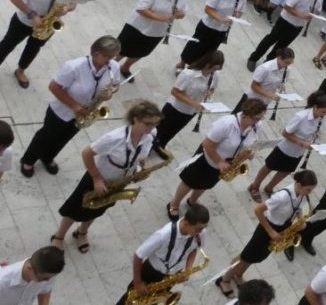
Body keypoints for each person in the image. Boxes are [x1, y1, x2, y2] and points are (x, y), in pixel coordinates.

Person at [50, 101, 163, 253]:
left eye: (155, 124)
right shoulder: (114, 138)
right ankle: (59, 236)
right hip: (96, 178)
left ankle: (82, 232)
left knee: (98, 208)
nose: (151, 128)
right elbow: (87, 153)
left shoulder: (149, 135)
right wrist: (96, 179)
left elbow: (141, 155)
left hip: (118, 181)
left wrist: (143, 167)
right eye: (147, 123)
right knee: (75, 208)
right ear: (135, 119)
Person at [19, 36, 122, 177]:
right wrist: (74, 106)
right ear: (96, 53)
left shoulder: (113, 67)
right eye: (107, 57)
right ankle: (28, 160)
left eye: (112, 57)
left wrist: (110, 93)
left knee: (64, 138)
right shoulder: (74, 66)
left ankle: (47, 158)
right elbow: (54, 87)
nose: (110, 61)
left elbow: (115, 84)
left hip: (85, 112)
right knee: (45, 136)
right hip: (62, 111)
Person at [217, 170, 318, 295]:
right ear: (299, 184)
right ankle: (224, 279)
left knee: (256, 257)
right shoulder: (282, 196)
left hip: (282, 228)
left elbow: (297, 209)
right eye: (309, 189)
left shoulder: (303, 195)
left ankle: (238, 274)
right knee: (245, 255)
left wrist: (300, 221)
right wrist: (271, 232)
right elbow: (258, 210)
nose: (310, 193)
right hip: (267, 228)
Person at [167, 99, 267, 219]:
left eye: (261, 118)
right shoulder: (226, 124)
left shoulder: (256, 126)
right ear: (245, 115)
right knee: (189, 181)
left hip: (227, 163)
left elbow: (250, 143)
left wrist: (249, 153)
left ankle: (192, 201)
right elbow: (207, 144)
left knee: (206, 183)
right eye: (256, 118)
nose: (258, 122)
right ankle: (174, 204)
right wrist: (219, 161)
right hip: (207, 158)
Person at [0, 0, 78, 88]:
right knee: (8, 44)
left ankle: (20, 71)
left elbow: (73, 4)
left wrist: (66, 8)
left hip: (48, 24)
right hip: (24, 21)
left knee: (33, 49)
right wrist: (33, 15)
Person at [116, 204, 209, 305]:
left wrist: (188, 269)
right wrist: (137, 283)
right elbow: (138, 256)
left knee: (151, 302)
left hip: (170, 277)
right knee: (129, 300)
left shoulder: (200, 233)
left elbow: (193, 249)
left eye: (203, 228)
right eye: (198, 229)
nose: (201, 232)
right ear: (186, 224)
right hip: (150, 273)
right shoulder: (163, 235)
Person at [247, 93, 326, 200]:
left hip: (298, 153)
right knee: (269, 167)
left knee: (285, 171)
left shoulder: (318, 118)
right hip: (285, 149)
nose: (325, 115)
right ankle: (254, 186)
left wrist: (315, 136)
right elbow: (285, 133)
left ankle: (269, 188)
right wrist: (302, 142)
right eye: (323, 112)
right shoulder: (301, 117)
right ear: (315, 107)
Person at [115, 0, 191, 80]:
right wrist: (162, 18)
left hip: (156, 32)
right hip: (137, 27)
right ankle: (108, 66)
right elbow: (141, 9)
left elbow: (183, 12)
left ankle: (125, 68)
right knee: (122, 50)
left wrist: (180, 14)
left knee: (140, 52)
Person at [246, 0, 326, 71]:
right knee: (270, 40)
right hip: (285, 21)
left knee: (281, 47)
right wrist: (300, 14)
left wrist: (313, 14)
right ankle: (253, 58)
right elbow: (287, 6)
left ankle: (268, 63)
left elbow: (317, 10)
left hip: (298, 26)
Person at [154, 51, 224, 151]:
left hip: (191, 112)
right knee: (160, 130)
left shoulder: (215, 75)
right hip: (175, 109)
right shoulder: (188, 74)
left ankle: (160, 146)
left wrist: (209, 93)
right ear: (207, 64)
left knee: (172, 132)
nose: (214, 71)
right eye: (213, 69)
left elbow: (212, 88)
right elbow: (175, 91)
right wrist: (193, 103)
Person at [176, 0, 247, 71]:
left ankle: (195, 68)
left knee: (209, 52)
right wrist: (221, 19)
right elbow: (208, 9)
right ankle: (182, 63)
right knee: (195, 46)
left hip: (221, 30)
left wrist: (236, 15)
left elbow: (240, 11)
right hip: (207, 26)